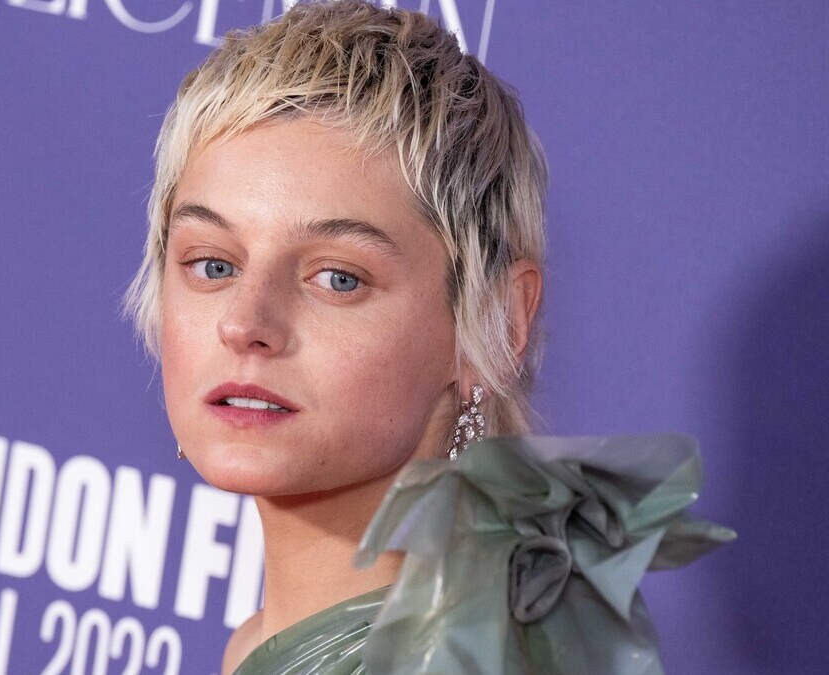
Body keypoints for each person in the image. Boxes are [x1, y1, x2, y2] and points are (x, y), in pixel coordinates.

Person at [125, 2, 732, 672]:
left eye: (337, 278)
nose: (244, 323)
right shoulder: (274, 640)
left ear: (494, 326)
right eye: (213, 264)